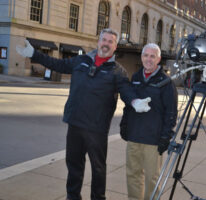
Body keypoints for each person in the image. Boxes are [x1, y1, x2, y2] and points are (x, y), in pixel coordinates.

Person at [16, 28, 151, 200]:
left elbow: (126, 91)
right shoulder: (81, 60)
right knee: (74, 165)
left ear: (115, 47)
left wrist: (135, 102)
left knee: (98, 168)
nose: (106, 44)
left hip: (97, 128)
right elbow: (57, 64)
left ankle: (98, 197)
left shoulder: (117, 71)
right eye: (104, 40)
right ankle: (72, 196)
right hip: (75, 123)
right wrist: (34, 54)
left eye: (110, 41)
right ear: (98, 41)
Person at [120, 43, 178, 200]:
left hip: (153, 140)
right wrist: (124, 125)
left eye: (152, 56)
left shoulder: (166, 82)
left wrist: (166, 137)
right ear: (142, 57)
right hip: (134, 136)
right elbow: (129, 105)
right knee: (132, 175)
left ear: (158, 59)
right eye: (146, 55)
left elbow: (171, 113)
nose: (149, 59)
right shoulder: (136, 77)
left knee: (153, 179)